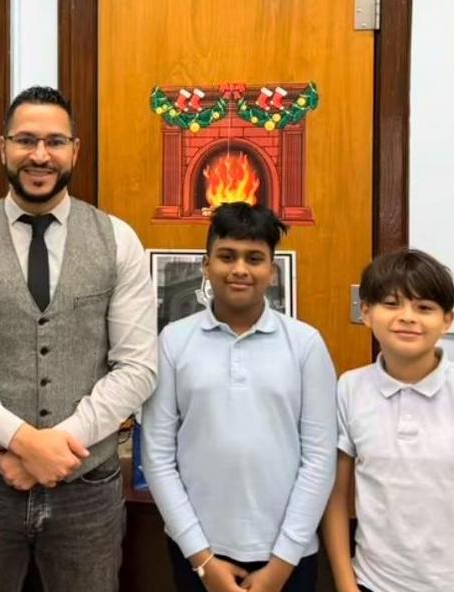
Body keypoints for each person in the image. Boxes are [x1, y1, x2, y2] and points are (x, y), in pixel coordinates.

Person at [0, 85, 158, 592]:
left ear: (75, 150)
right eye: (26, 140)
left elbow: (137, 367)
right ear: (3, 146)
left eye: (54, 141)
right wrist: (24, 441)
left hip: (87, 488)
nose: (40, 155)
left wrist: (58, 449)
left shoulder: (119, 240)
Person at [142, 202, 336, 592]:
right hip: (198, 552)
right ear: (206, 265)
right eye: (227, 256)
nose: (240, 270)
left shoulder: (305, 344)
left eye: (254, 258)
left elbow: (319, 458)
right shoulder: (173, 341)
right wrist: (202, 559)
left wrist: (281, 564)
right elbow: (158, 458)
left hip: (289, 554)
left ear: (272, 270)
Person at [322, 249, 454, 592]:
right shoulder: (350, 388)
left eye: (424, 308)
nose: (408, 317)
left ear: (447, 320)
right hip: (374, 584)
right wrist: (347, 586)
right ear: (366, 312)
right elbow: (336, 498)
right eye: (392, 304)